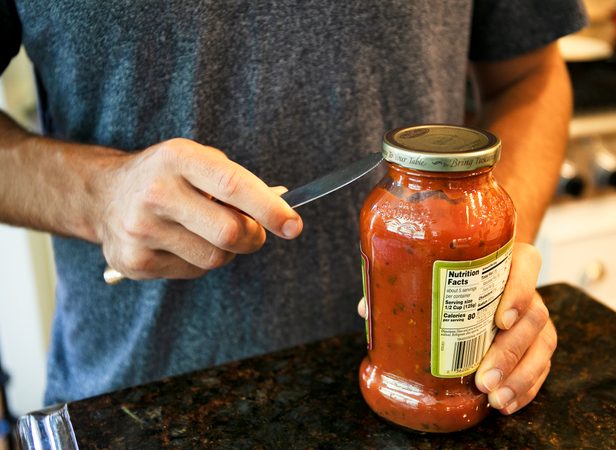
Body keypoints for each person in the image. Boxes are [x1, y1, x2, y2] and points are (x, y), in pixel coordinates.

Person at [0, 0, 586, 416]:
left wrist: (485, 255)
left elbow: (532, 77)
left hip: (426, 391)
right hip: (140, 407)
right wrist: (99, 194)